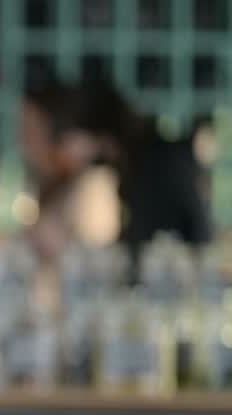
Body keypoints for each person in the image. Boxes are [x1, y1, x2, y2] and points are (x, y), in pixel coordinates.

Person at [20, 78, 212, 273]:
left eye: (31, 132)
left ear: (76, 137)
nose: (26, 146)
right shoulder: (108, 170)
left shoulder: (154, 164)